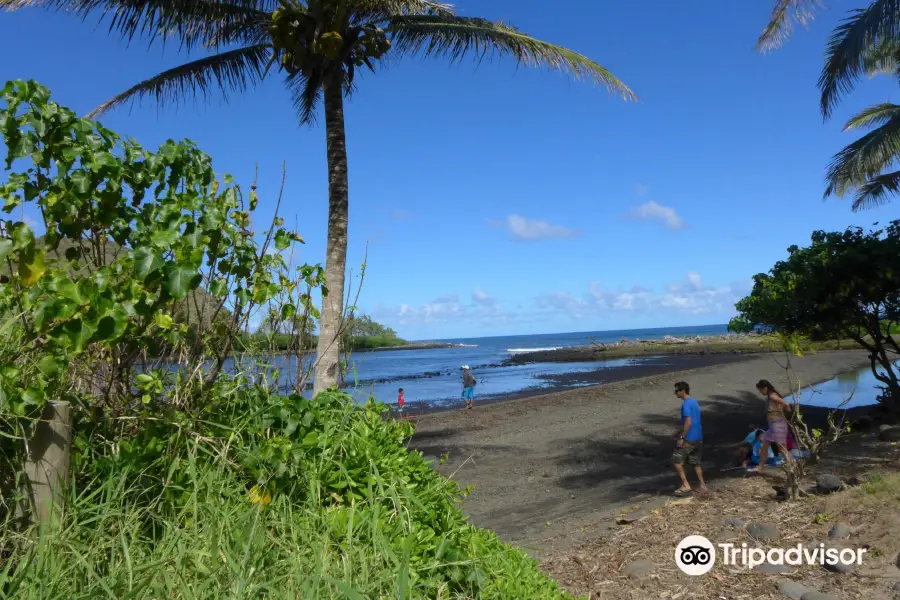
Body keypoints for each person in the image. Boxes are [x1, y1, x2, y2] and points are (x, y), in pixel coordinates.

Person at [671, 381, 709, 496]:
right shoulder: (694, 402)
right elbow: (694, 421)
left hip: (690, 438)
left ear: (683, 391)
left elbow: (688, 421)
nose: (675, 393)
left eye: (677, 390)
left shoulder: (686, 404)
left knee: (676, 460)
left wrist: (682, 437)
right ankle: (703, 486)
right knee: (695, 463)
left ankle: (685, 485)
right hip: (698, 437)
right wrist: (677, 432)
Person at [754, 379, 794, 475]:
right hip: (772, 426)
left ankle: (793, 467)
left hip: (778, 425)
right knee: (764, 445)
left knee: (782, 449)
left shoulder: (772, 395)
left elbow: (785, 403)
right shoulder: (771, 395)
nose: (760, 392)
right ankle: (761, 467)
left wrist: (787, 409)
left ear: (765, 388)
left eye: (760, 390)